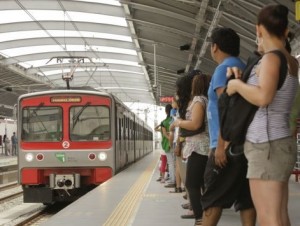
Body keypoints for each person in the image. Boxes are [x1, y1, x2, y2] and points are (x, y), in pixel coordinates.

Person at [226, 4, 298, 226]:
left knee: (268, 218)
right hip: (279, 142)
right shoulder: (290, 61)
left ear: (258, 29)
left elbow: (264, 97)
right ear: (286, 31)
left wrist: (237, 85)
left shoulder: (271, 59)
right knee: (278, 215)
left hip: (265, 145)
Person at [201, 27, 256, 226]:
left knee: (212, 198)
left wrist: (222, 144)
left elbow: (230, 107)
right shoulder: (241, 65)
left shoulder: (222, 69)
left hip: (227, 145)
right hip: (244, 144)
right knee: (245, 199)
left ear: (214, 47)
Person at [172, 73, 210, 226]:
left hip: (200, 148)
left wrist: (179, 123)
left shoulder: (199, 101)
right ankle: (202, 218)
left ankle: (200, 220)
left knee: (192, 184)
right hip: (196, 147)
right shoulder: (197, 101)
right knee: (197, 184)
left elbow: (196, 125)